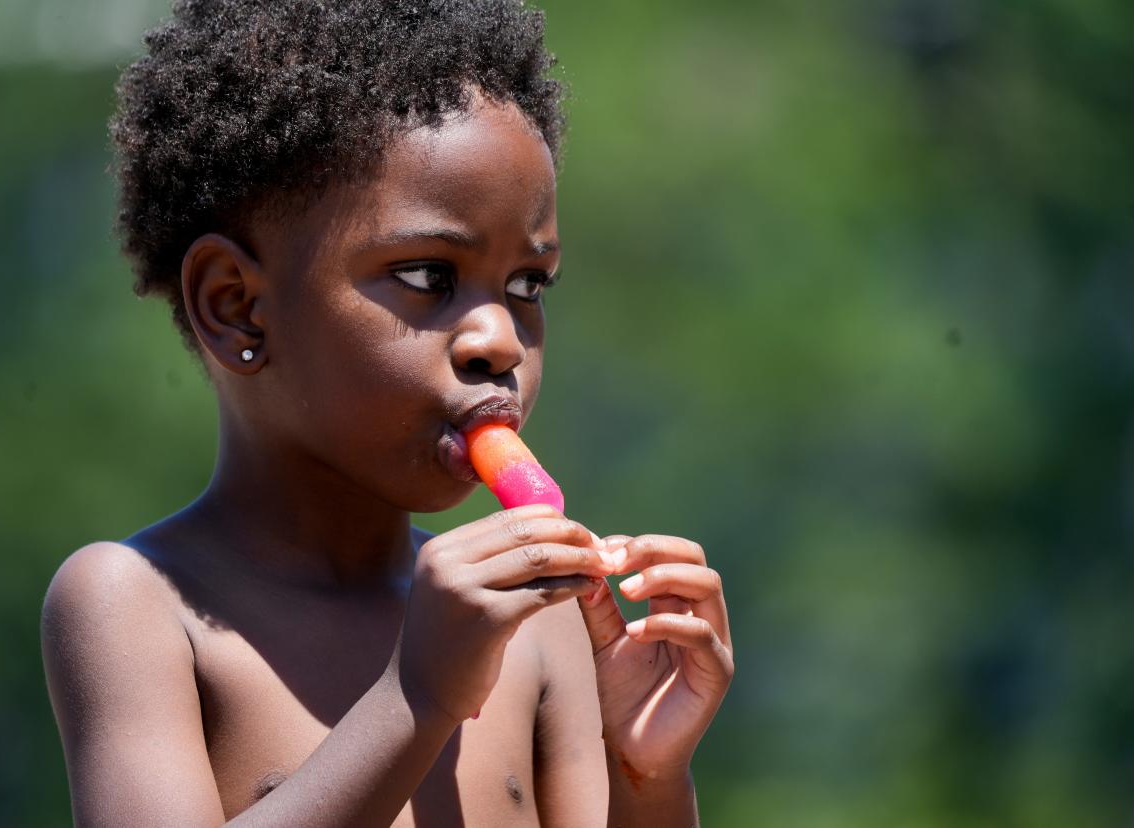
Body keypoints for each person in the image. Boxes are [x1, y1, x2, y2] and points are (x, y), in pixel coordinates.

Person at [39, 1, 733, 824]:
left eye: (526, 287)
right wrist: (416, 697)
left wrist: (646, 774)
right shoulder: (136, 605)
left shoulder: (541, 629)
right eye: (429, 276)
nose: (497, 339)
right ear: (237, 307)